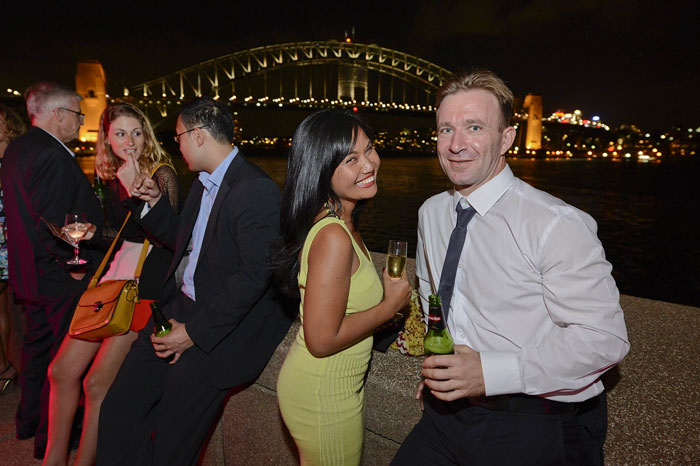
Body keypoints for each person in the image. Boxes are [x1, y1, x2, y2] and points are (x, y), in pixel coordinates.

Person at [391, 70, 630, 466]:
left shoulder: (555, 223)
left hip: (531, 425)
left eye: (474, 127)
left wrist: (489, 372)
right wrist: (442, 369)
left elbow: (605, 340)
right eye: (445, 129)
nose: (456, 144)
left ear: (507, 139)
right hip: (445, 418)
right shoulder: (431, 213)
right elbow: (439, 300)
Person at [97, 96, 293, 465]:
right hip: (177, 308)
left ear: (199, 137)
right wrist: (147, 203)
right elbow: (181, 241)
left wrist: (193, 333)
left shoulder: (255, 189)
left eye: (179, 137)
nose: (178, 145)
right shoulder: (204, 182)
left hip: (215, 332)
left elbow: (254, 276)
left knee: (172, 444)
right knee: (119, 413)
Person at [42, 102, 179, 466]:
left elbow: (171, 238)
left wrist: (139, 194)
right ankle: (52, 461)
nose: (130, 141)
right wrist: (86, 237)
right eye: (120, 134)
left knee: (96, 385)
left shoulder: (161, 174)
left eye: (137, 132)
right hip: (108, 282)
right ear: (107, 139)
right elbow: (122, 235)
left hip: (138, 291)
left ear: (146, 134)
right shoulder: (114, 175)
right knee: (61, 371)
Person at [272, 109, 411, 465]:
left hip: (333, 385)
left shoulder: (340, 220)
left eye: (370, 149)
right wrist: (389, 305)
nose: (370, 164)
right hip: (323, 392)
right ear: (322, 168)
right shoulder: (334, 235)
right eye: (351, 159)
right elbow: (321, 339)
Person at [1, 82, 105, 459]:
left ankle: (28, 420)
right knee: (62, 363)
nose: (80, 122)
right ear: (59, 115)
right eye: (78, 114)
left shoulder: (18, 148)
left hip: (29, 275)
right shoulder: (51, 154)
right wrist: (73, 265)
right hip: (56, 278)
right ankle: (50, 438)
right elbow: (54, 221)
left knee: (36, 352)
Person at [0, 103, 26, 394]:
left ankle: (3, 367)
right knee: (2, 306)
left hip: (9, 237)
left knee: (6, 304)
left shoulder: (15, 156)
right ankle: (4, 365)